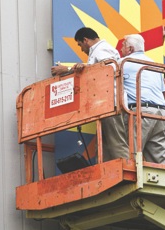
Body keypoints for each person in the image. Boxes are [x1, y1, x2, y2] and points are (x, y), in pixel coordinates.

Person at [51, 27, 128, 161]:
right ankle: (109, 175)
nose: (81, 49)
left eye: (80, 45)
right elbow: (97, 69)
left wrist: (68, 69)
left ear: (85, 40)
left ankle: (127, 169)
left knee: (117, 143)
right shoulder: (98, 51)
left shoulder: (102, 49)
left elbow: (109, 69)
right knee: (104, 146)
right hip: (105, 104)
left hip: (112, 102)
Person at [121, 34, 165, 165]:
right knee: (160, 158)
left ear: (130, 49)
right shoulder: (154, 65)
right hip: (162, 113)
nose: (121, 50)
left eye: (122, 46)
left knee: (131, 155)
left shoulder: (124, 63)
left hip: (141, 112)